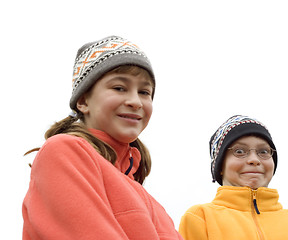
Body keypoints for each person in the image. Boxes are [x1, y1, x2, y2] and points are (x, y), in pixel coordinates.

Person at [22, 35, 183, 240]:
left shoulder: (149, 200)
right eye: (119, 88)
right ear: (83, 101)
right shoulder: (62, 151)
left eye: (144, 92)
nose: (136, 101)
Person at [179, 115, 288, 240]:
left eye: (264, 151)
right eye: (240, 151)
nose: (254, 159)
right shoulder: (200, 218)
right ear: (220, 165)